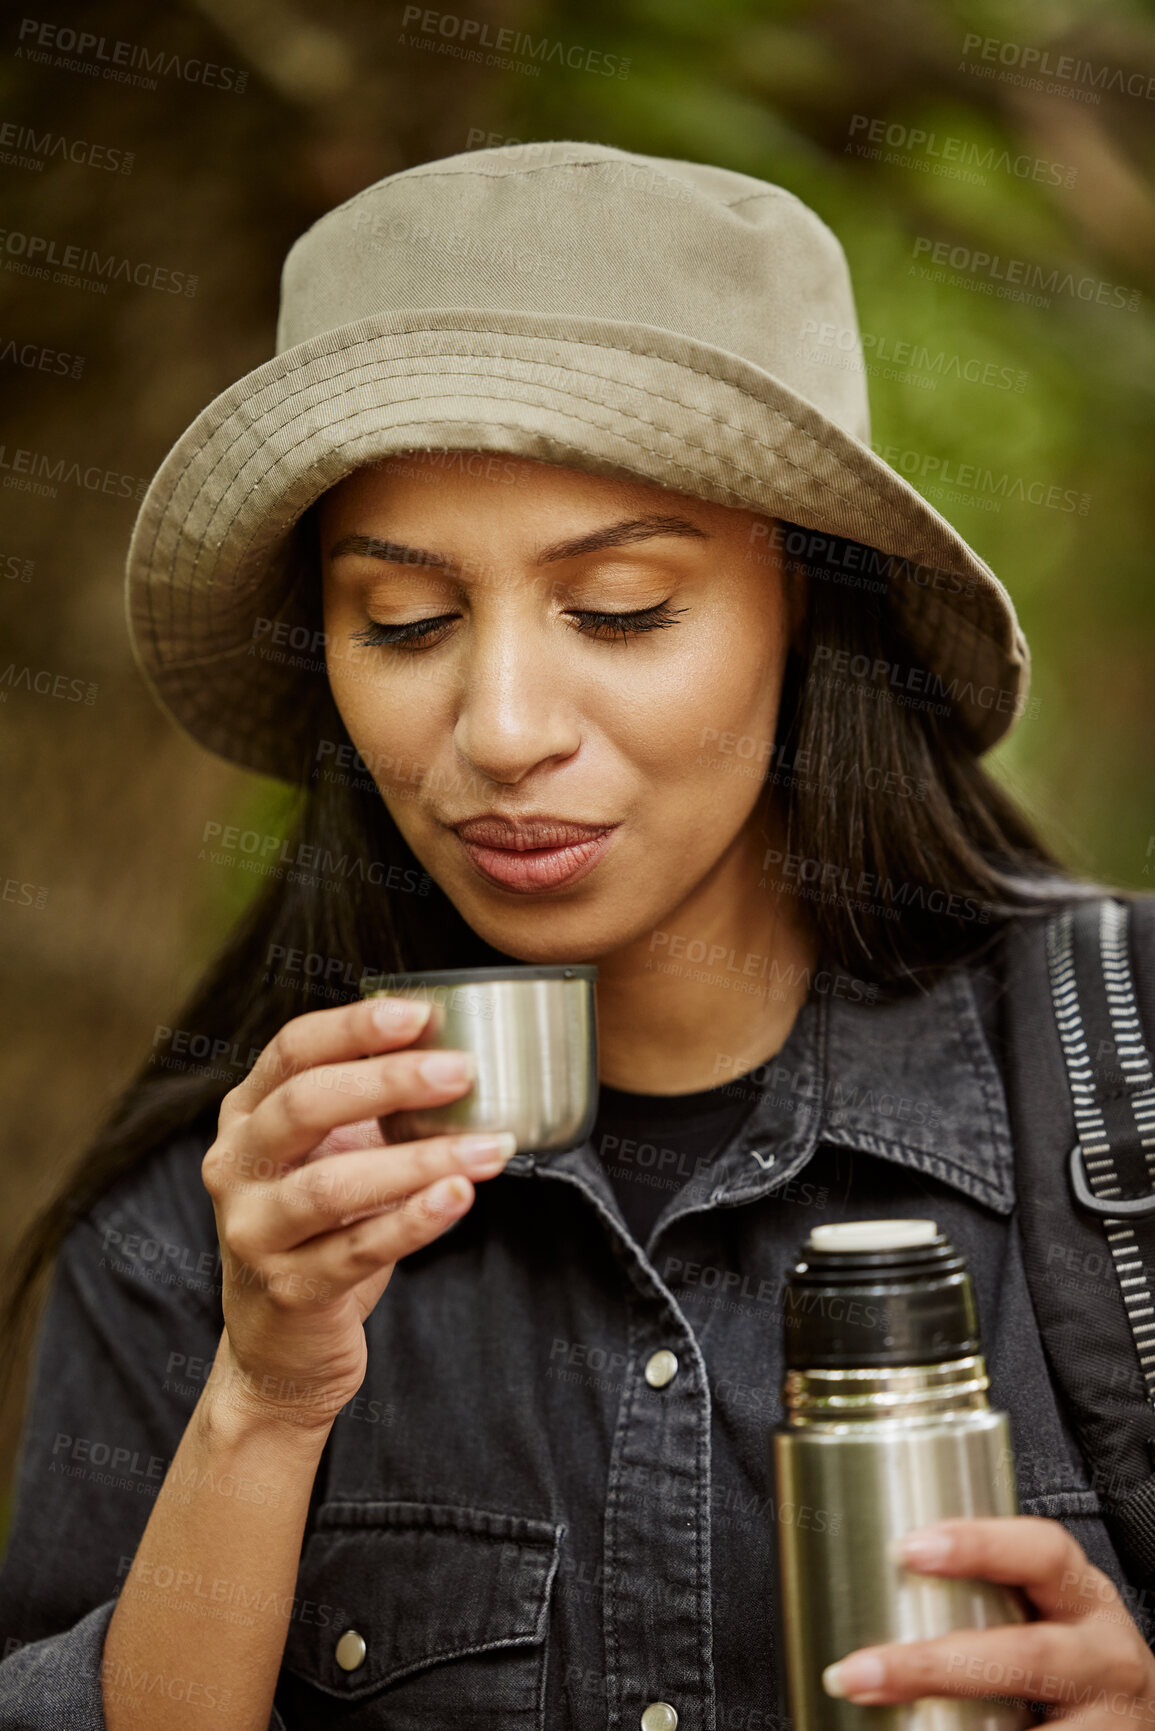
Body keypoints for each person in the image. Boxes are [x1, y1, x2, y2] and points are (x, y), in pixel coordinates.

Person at [0, 140, 1152, 1730]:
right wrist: (263, 1405)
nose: (504, 729)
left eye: (618, 607)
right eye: (403, 623)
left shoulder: (1132, 1076)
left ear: (807, 602)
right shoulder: (210, 1220)